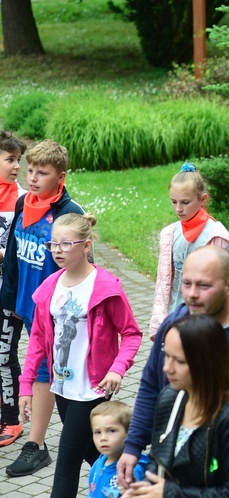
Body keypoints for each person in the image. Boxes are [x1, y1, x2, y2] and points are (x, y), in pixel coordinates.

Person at [119, 246, 229, 498]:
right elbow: (151, 385)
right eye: (187, 284)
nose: (192, 295)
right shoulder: (174, 326)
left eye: (203, 286)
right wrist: (133, 446)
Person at [17, 213, 141, 497]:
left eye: (65, 244)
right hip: (61, 387)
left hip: (92, 389)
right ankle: (135, 483)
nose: (57, 251)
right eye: (53, 244)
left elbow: (132, 334)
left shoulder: (106, 287)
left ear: (86, 246)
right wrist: (27, 386)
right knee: (92, 454)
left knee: (66, 466)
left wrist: (117, 369)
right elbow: (36, 341)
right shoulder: (49, 287)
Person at [1, 140, 85, 477]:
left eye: (42, 172)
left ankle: (37, 444)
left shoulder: (70, 212)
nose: (33, 177)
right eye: (30, 170)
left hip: (55, 310)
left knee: (44, 374)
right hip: (25, 304)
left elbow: (80, 266)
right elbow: (13, 258)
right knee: (38, 371)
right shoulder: (24, 202)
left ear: (60, 176)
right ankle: (51, 441)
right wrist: (11, 301)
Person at [123, 314, 229, 498]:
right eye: (166, 356)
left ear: (208, 363)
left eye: (180, 361)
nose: (167, 368)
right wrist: (143, 490)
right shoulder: (169, 398)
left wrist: (169, 493)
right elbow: (158, 462)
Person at [149, 164, 229, 339]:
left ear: (203, 199)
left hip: (207, 326)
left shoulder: (217, 236)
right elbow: (163, 282)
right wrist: (158, 323)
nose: (178, 209)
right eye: (173, 202)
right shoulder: (169, 234)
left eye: (185, 202)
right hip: (174, 319)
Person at [0, 131, 27, 448]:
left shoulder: (22, 199)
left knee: (5, 355)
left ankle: (11, 419)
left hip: (11, 293)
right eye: (10, 160)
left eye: (18, 159)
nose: (17, 166)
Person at [89, 401, 148, 498]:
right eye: (97, 432)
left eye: (111, 431)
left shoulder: (132, 469)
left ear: (129, 432)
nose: (103, 438)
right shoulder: (98, 463)